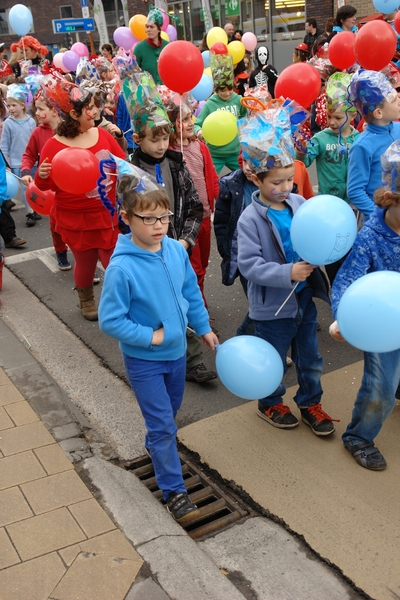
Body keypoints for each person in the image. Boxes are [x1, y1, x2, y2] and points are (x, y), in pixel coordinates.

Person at [98, 168, 218, 521]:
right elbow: (111, 321)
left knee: (171, 411)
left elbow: (190, 292)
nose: (158, 225)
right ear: (126, 217)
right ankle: (174, 490)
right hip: (144, 360)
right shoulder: (121, 268)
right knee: (164, 424)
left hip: (177, 354)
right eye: (147, 218)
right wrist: (149, 337)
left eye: (163, 216)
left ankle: (156, 445)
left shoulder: (175, 251)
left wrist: (204, 326)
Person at [236, 102, 334, 436]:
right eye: (276, 182)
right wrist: (285, 273)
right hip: (271, 307)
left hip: (303, 299)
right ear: (255, 177)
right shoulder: (250, 218)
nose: (285, 188)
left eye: (290, 179)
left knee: (310, 357)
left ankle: (310, 402)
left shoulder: (299, 203)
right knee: (273, 360)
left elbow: (314, 237)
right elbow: (248, 265)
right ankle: (269, 401)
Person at [124, 72, 217, 383]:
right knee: (155, 302)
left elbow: (193, 206)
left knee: (181, 295)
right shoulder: (130, 173)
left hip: (176, 247)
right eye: (155, 139)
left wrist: (186, 242)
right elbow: (124, 217)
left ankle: (190, 360)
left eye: (165, 137)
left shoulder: (176, 165)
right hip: (146, 252)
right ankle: (156, 354)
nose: (162, 144)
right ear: (138, 139)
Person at [330, 140, 400, 470]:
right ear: (395, 198)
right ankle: (358, 436)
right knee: (381, 386)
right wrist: (342, 317)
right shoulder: (371, 237)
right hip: (380, 323)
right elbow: (346, 280)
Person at [35, 74, 126, 320]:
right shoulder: (53, 145)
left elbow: (123, 164)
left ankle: (122, 301)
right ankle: (86, 301)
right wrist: (42, 175)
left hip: (106, 213)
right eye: (88, 108)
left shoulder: (102, 135)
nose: (94, 112)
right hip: (75, 217)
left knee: (115, 263)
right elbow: (44, 185)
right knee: (85, 264)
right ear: (73, 115)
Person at [296, 72, 359, 283]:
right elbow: (303, 163)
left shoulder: (360, 139)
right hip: (329, 206)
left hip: (354, 207)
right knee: (332, 252)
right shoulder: (320, 139)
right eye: (329, 116)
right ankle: (336, 286)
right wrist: (301, 152)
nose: (332, 122)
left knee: (351, 251)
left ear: (352, 115)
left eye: (338, 118)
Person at [167, 98, 219, 307]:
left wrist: (219, 202)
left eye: (190, 117)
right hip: (187, 220)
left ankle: (195, 301)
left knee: (202, 265)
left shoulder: (201, 147)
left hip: (205, 216)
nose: (190, 123)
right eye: (184, 119)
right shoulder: (170, 151)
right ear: (172, 124)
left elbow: (212, 178)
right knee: (194, 266)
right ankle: (200, 310)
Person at [20, 91, 73, 269]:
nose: (36, 112)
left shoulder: (71, 130)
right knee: (55, 224)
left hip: (71, 184)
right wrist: (27, 171)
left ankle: (84, 259)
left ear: (55, 111)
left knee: (75, 224)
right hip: (49, 186)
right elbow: (29, 154)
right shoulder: (38, 132)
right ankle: (60, 252)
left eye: (41, 109)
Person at [347, 69, 400, 222]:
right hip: (382, 224)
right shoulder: (362, 146)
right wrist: (379, 218)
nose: (398, 100)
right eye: (392, 99)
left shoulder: (398, 128)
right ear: (378, 113)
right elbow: (355, 190)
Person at [194, 52, 247, 174]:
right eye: (223, 90)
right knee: (210, 180)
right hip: (215, 153)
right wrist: (199, 132)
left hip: (235, 152)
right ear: (216, 89)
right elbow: (197, 124)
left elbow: (246, 117)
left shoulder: (238, 100)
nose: (228, 93)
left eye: (230, 89)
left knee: (246, 176)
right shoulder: (209, 104)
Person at [0, 84, 38, 227]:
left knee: (34, 186)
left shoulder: (31, 122)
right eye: (8, 106)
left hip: (32, 161)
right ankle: (30, 211)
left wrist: (38, 155)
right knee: (25, 187)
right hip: (16, 162)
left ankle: (35, 207)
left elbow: (35, 141)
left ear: (23, 105)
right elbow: (4, 145)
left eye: (13, 105)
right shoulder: (8, 124)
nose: (10, 109)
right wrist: (6, 164)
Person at [133, 6, 169, 85]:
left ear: (159, 29)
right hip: (148, 95)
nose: (148, 30)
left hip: (167, 93)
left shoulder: (168, 47)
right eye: (147, 27)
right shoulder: (139, 48)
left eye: (152, 27)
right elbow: (133, 74)